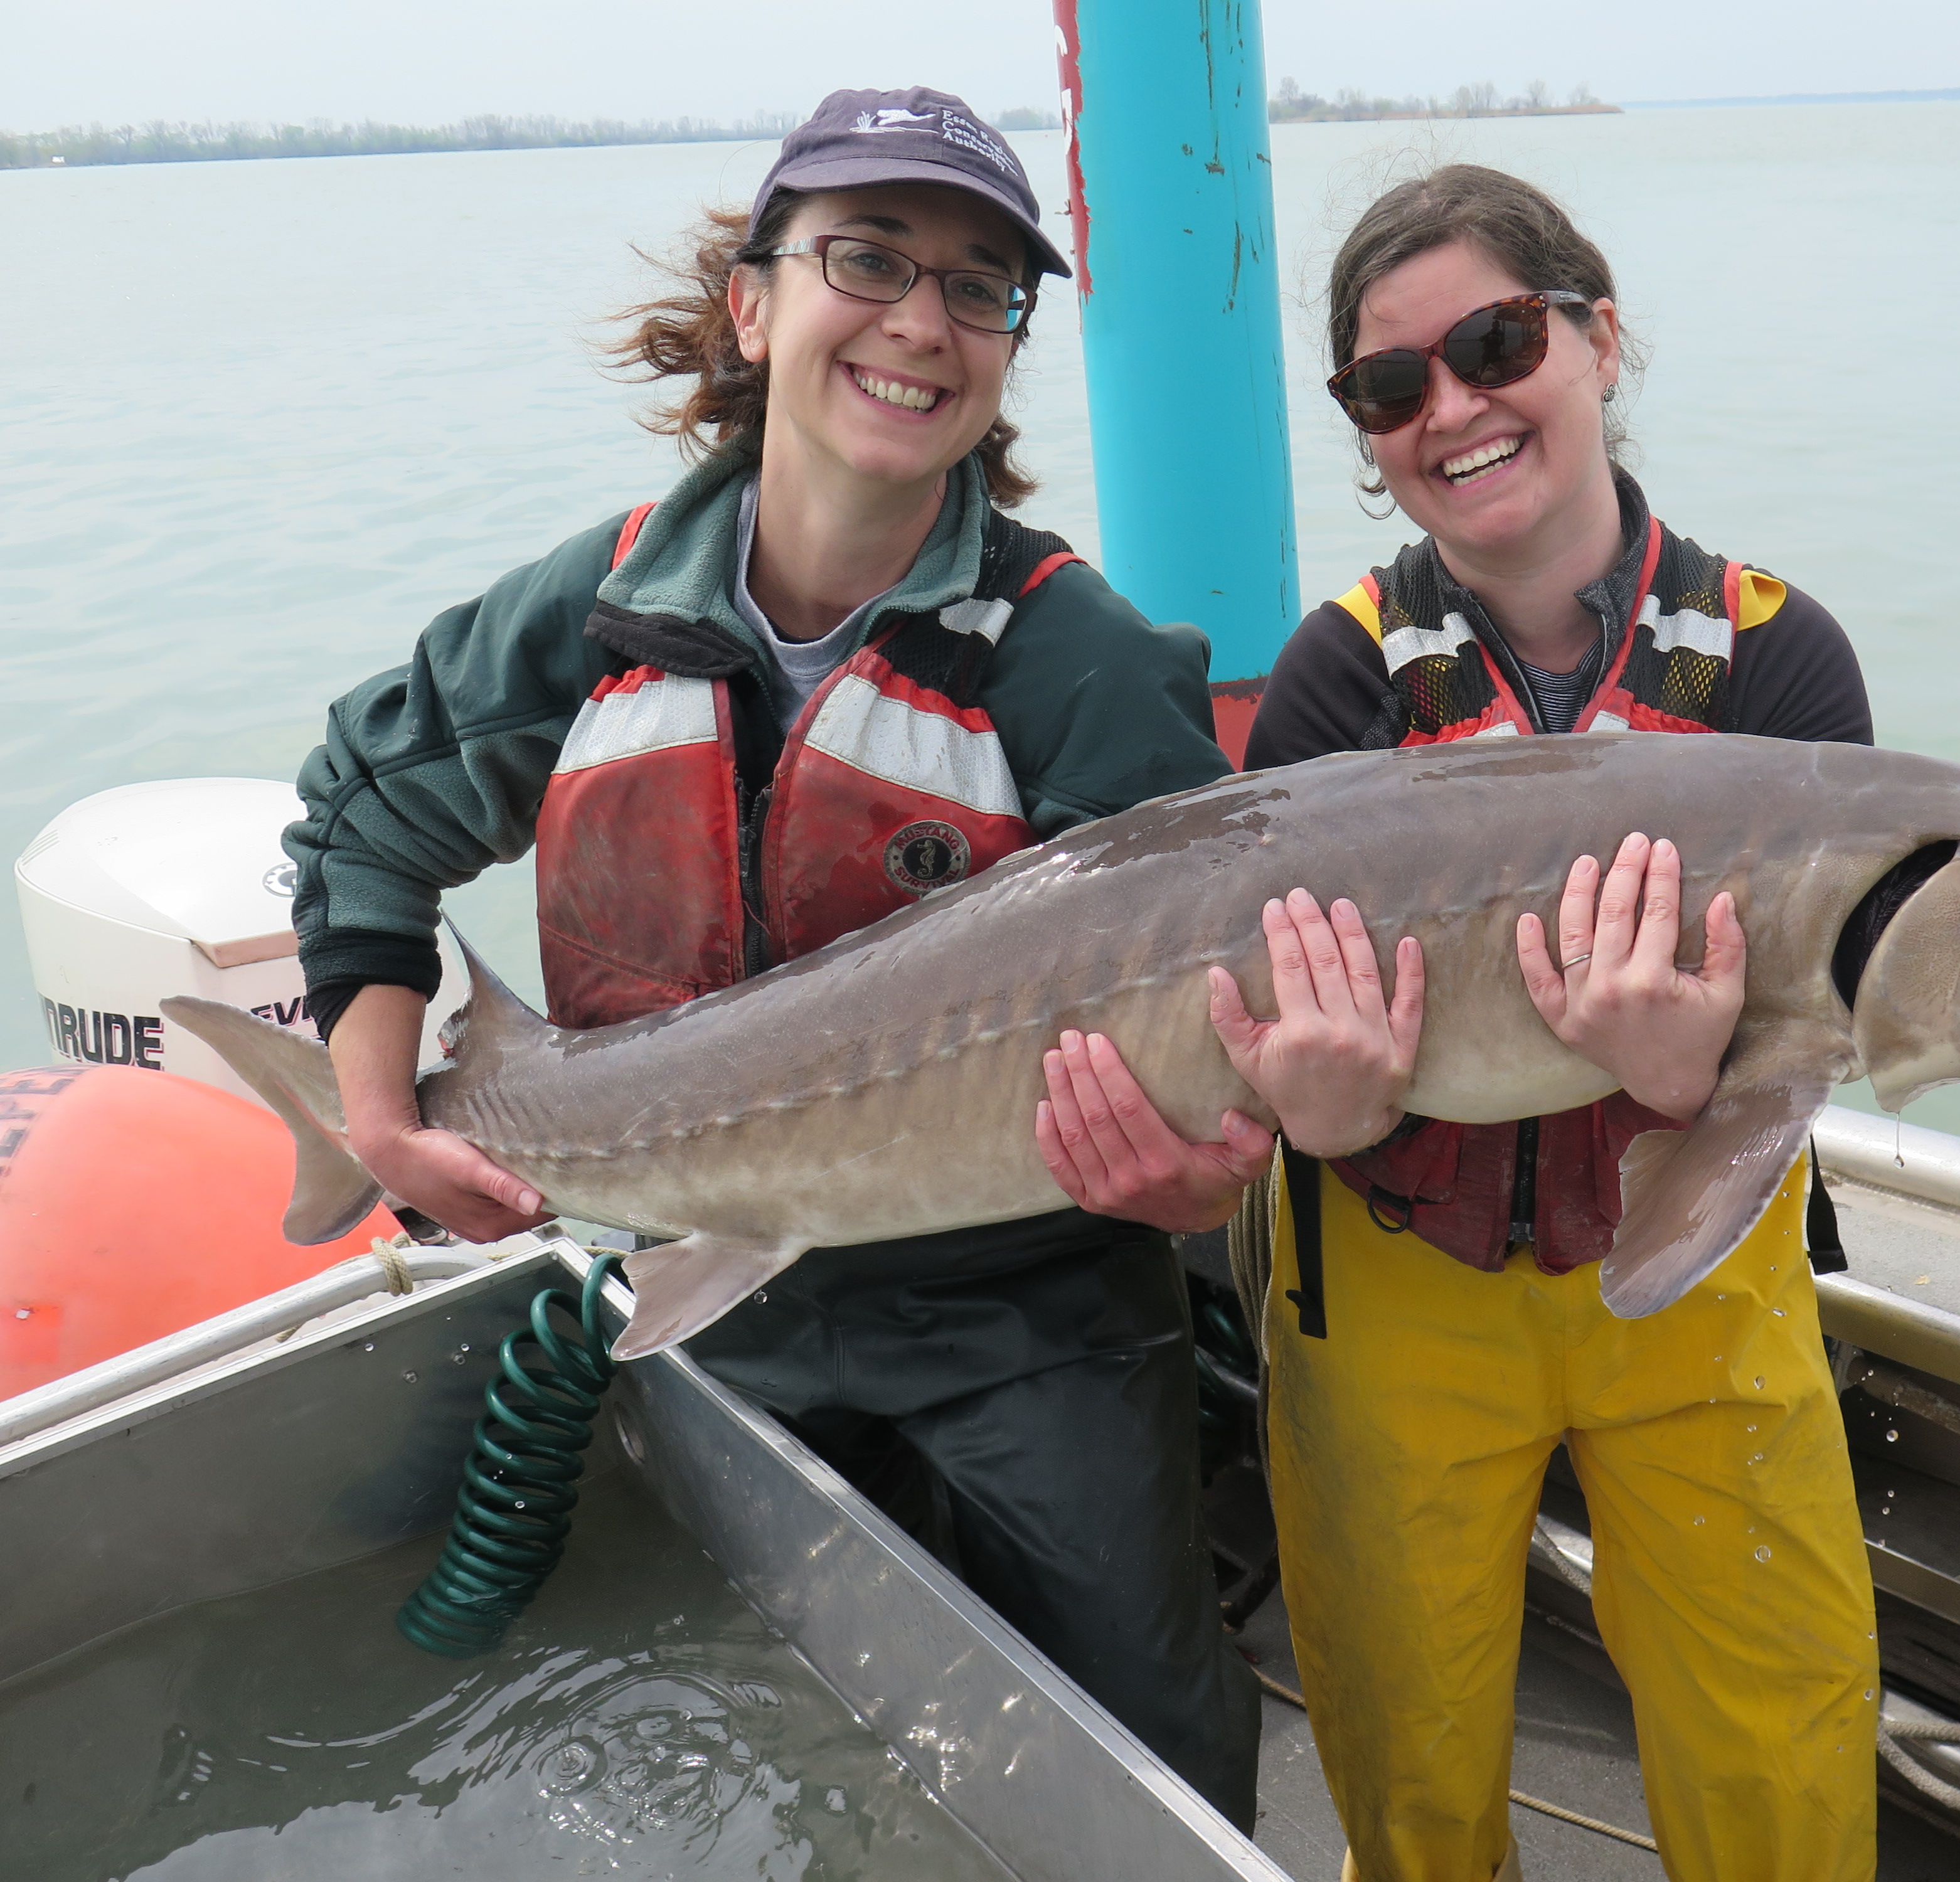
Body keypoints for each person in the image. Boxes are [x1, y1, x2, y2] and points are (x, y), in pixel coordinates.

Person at [284, 88, 1260, 1826]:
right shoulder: (598, 606)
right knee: (785, 1746)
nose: (919, 322)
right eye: (867, 259)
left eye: (980, 289)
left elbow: (1235, 999)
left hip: (1030, 1309)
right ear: (754, 303)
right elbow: (365, 809)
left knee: (1153, 1767)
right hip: (710, 1275)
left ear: (1009, 350)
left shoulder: (1078, 661)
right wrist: (373, 1106)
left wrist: (1208, 1175)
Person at [1042, 162, 1880, 1880]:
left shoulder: (1783, 663)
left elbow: (1830, 1009)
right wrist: (1317, 1115)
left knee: (1783, 1750)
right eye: (1390, 384)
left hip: (1705, 1274)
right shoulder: (1340, 677)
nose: (1454, 407)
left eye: (1496, 341)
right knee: (1405, 1764)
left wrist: (1685, 1075)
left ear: (1598, 336)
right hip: (1390, 1273)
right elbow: (1254, 1042)